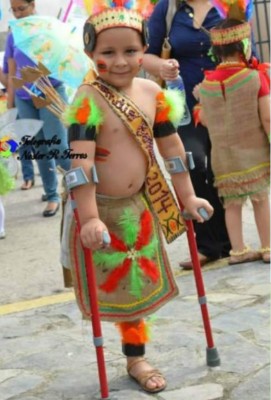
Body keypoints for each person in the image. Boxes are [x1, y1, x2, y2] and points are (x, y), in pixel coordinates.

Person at [62, 1, 213, 393]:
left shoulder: (152, 92)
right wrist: (90, 217)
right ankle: (135, 358)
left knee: (138, 289)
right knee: (117, 289)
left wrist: (189, 198)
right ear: (90, 55)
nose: (121, 61)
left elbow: (173, 151)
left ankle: (136, 356)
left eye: (131, 51)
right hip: (102, 212)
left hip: (139, 208)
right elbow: (81, 166)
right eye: (107, 53)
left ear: (144, 48)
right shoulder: (86, 101)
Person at [142, 0, 232, 268]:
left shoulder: (227, 6)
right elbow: (146, 54)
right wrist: (162, 67)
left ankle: (232, 243)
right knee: (194, 162)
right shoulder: (167, 9)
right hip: (184, 108)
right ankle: (208, 244)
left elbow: (244, 49)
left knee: (224, 169)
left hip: (226, 103)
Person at [196, 15, 270, 264]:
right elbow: (267, 116)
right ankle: (268, 246)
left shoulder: (205, 84)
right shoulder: (255, 78)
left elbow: (205, 119)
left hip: (223, 157)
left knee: (231, 205)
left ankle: (237, 250)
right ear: (243, 47)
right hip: (254, 153)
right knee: (260, 200)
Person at [4, 0, 71, 216]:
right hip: (25, 97)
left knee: (58, 147)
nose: (17, 14)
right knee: (40, 148)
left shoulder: (48, 27)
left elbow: (61, 61)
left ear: (33, 5)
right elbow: (12, 71)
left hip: (50, 92)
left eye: (21, 8)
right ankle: (52, 195)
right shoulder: (14, 33)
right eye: (13, 10)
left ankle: (81, 187)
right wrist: (11, 104)